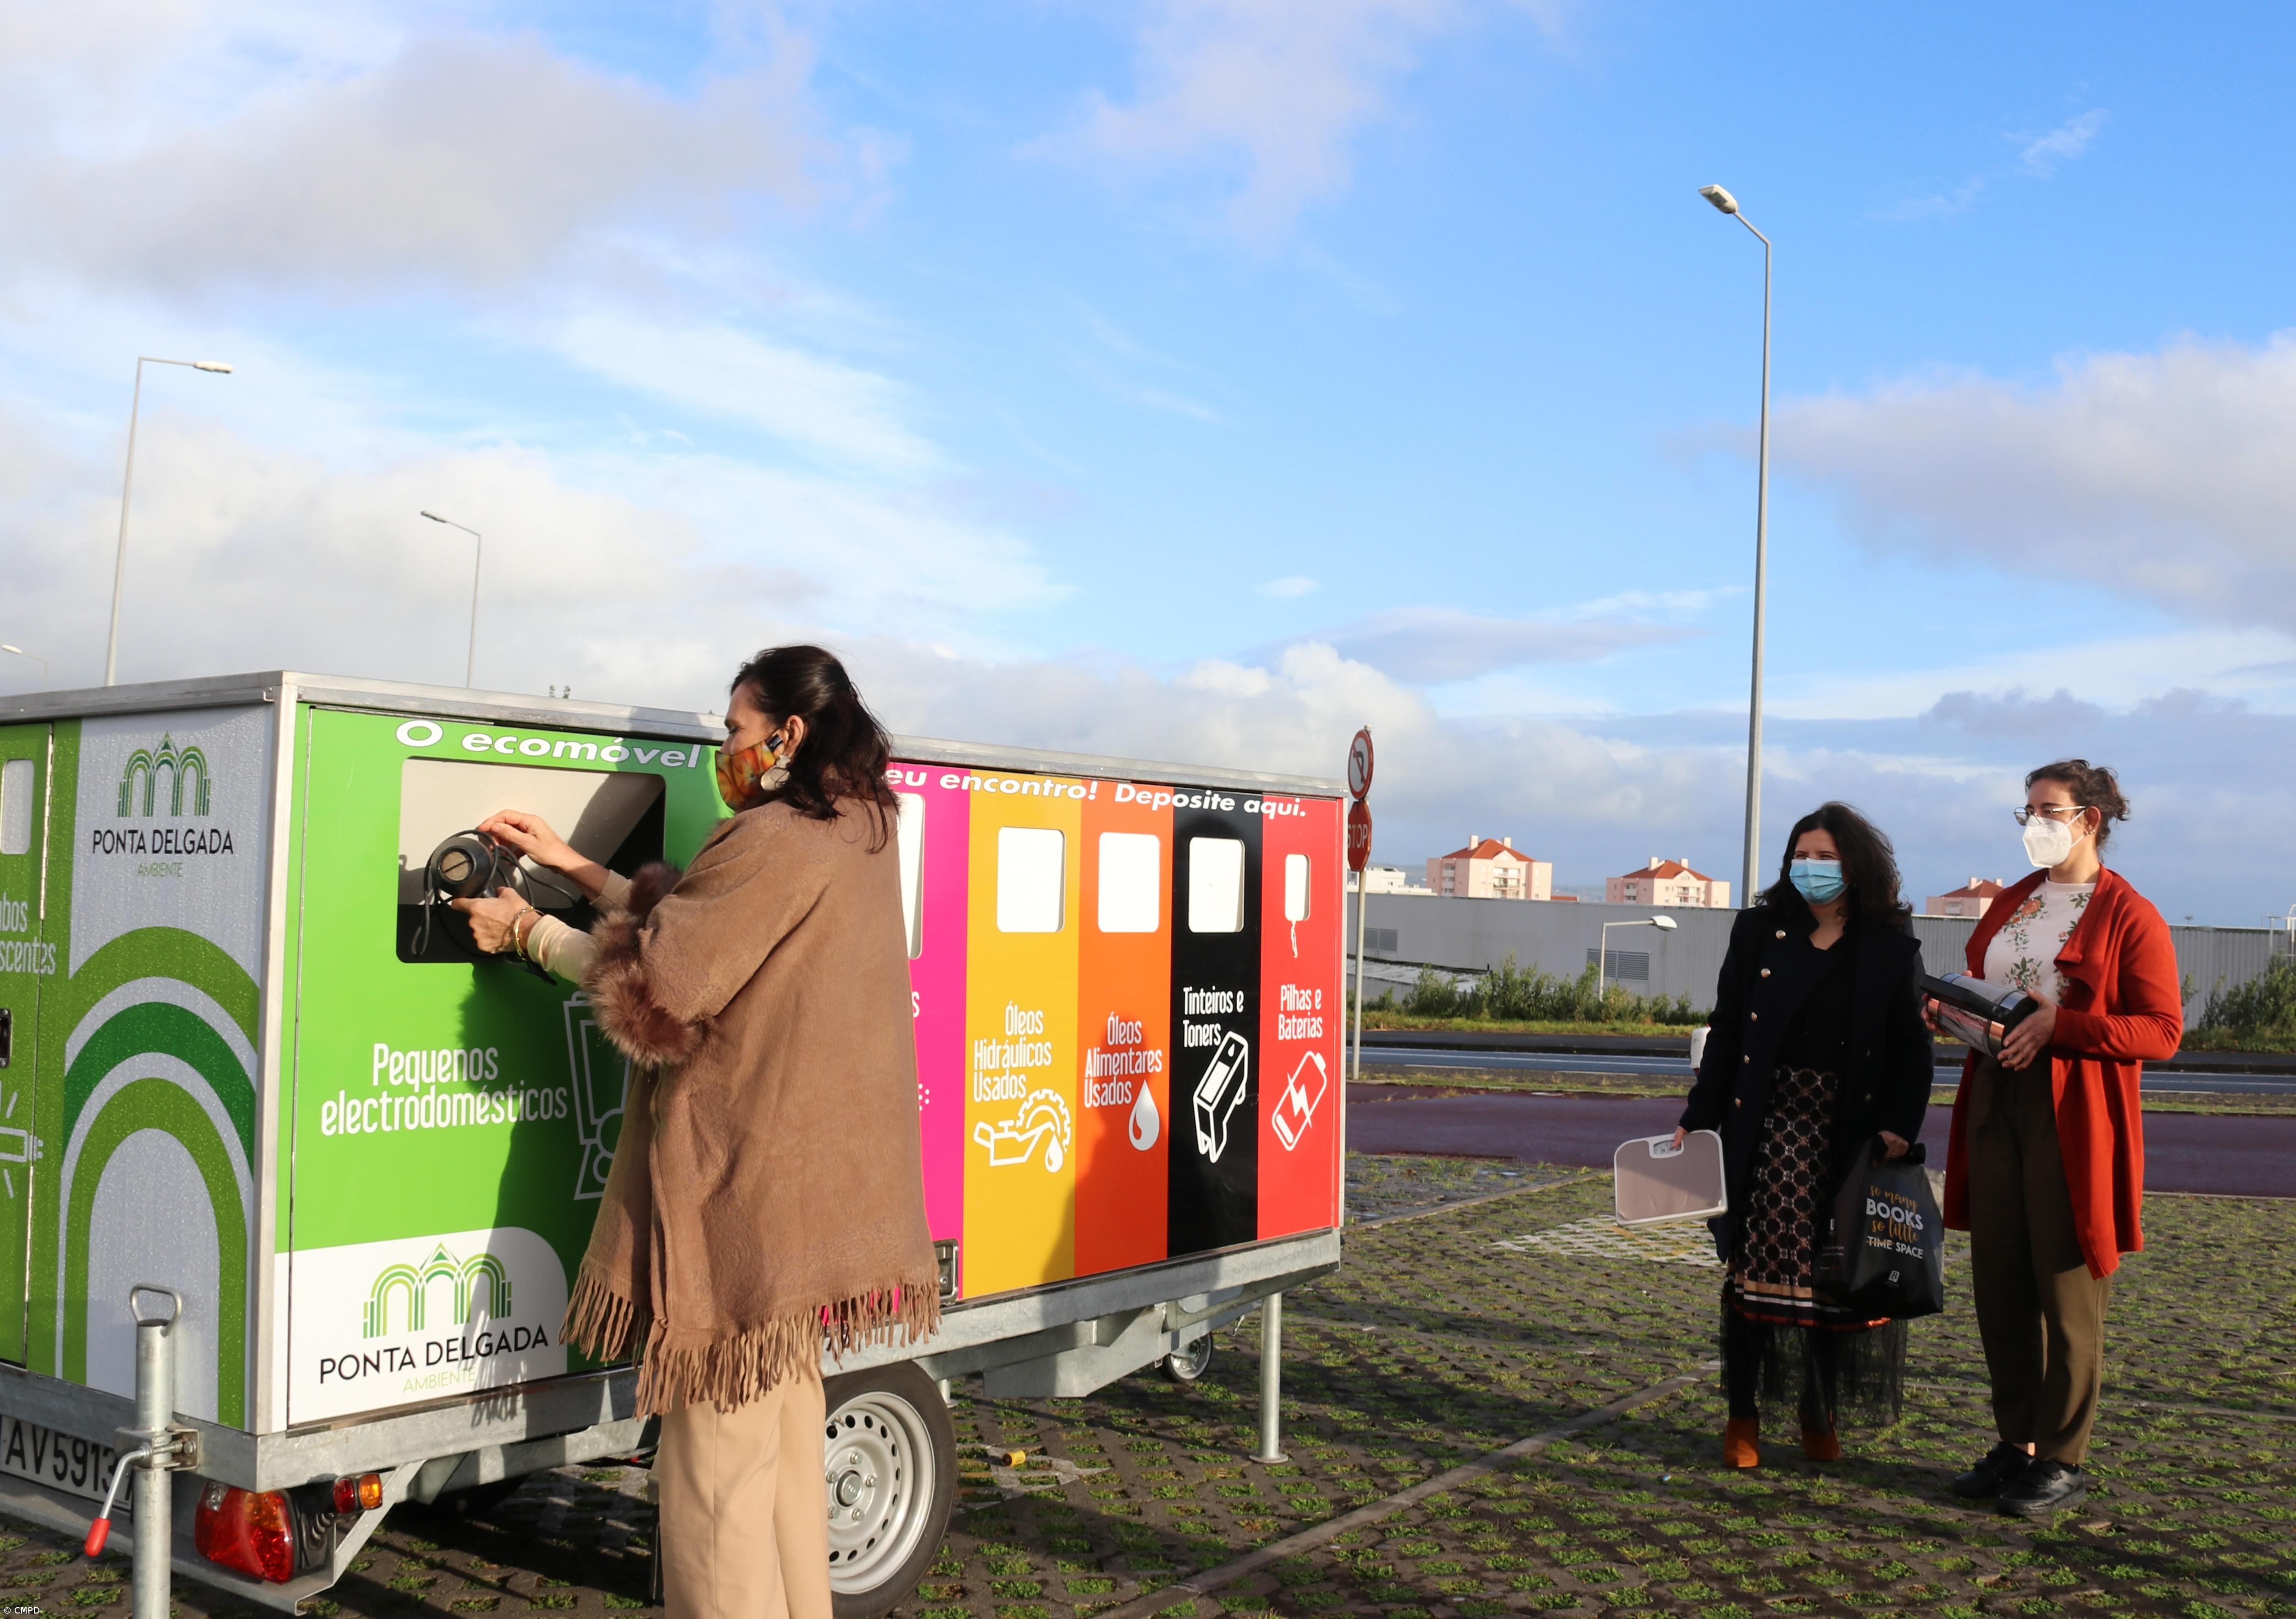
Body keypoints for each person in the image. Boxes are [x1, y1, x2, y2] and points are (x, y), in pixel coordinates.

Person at [454, 645, 938, 1619]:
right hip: (803, 1223)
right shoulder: (862, 826)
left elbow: (662, 992)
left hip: (739, 1208)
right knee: (786, 1472)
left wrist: (526, 931)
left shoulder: (773, 839)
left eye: (733, 728)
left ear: (787, 735)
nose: (725, 747)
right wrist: (573, 865)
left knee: (717, 1491)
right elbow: (710, 928)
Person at [1938, 760, 2179, 1518]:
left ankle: (2064, 1456)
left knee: (2068, 1289)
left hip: (2072, 1113)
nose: (2033, 823)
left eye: (2048, 809)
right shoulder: (2015, 900)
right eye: (2027, 810)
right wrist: (1951, 1011)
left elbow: (2163, 1029)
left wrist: (2064, 1024)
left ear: (2089, 819)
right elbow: (1992, 984)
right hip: (1995, 1096)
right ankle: (2018, 1443)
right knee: (2000, 1283)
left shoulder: (2130, 914)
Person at [1675, 802, 1932, 1469]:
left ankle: (1820, 1413)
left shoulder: (1890, 944)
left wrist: (1900, 1127)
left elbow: (1912, 1050)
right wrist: (1699, 1114)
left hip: (1845, 1140)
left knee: (1830, 1282)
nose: (1811, 867)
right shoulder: (1761, 930)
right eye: (1802, 854)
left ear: (1857, 865)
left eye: (1826, 856)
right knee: (1753, 1280)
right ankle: (1742, 1417)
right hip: (1764, 1131)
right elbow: (1727, 1029)